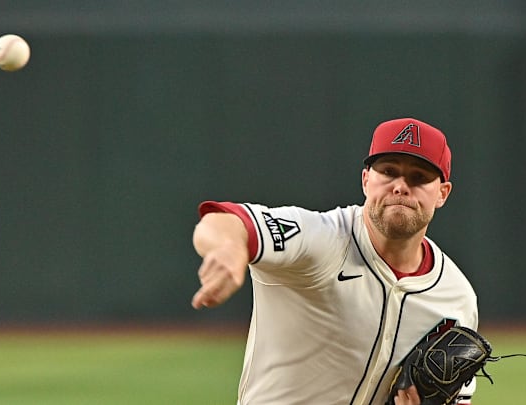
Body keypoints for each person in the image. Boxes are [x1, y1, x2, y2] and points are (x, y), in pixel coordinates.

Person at [190, 117, 478, 405]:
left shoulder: (455, 296)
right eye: (388, 171)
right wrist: (230, 248)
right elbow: (225, 221)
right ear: (366, 179)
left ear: (442, 193)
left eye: (418, 177)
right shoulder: (321, 240)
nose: (401, 186)